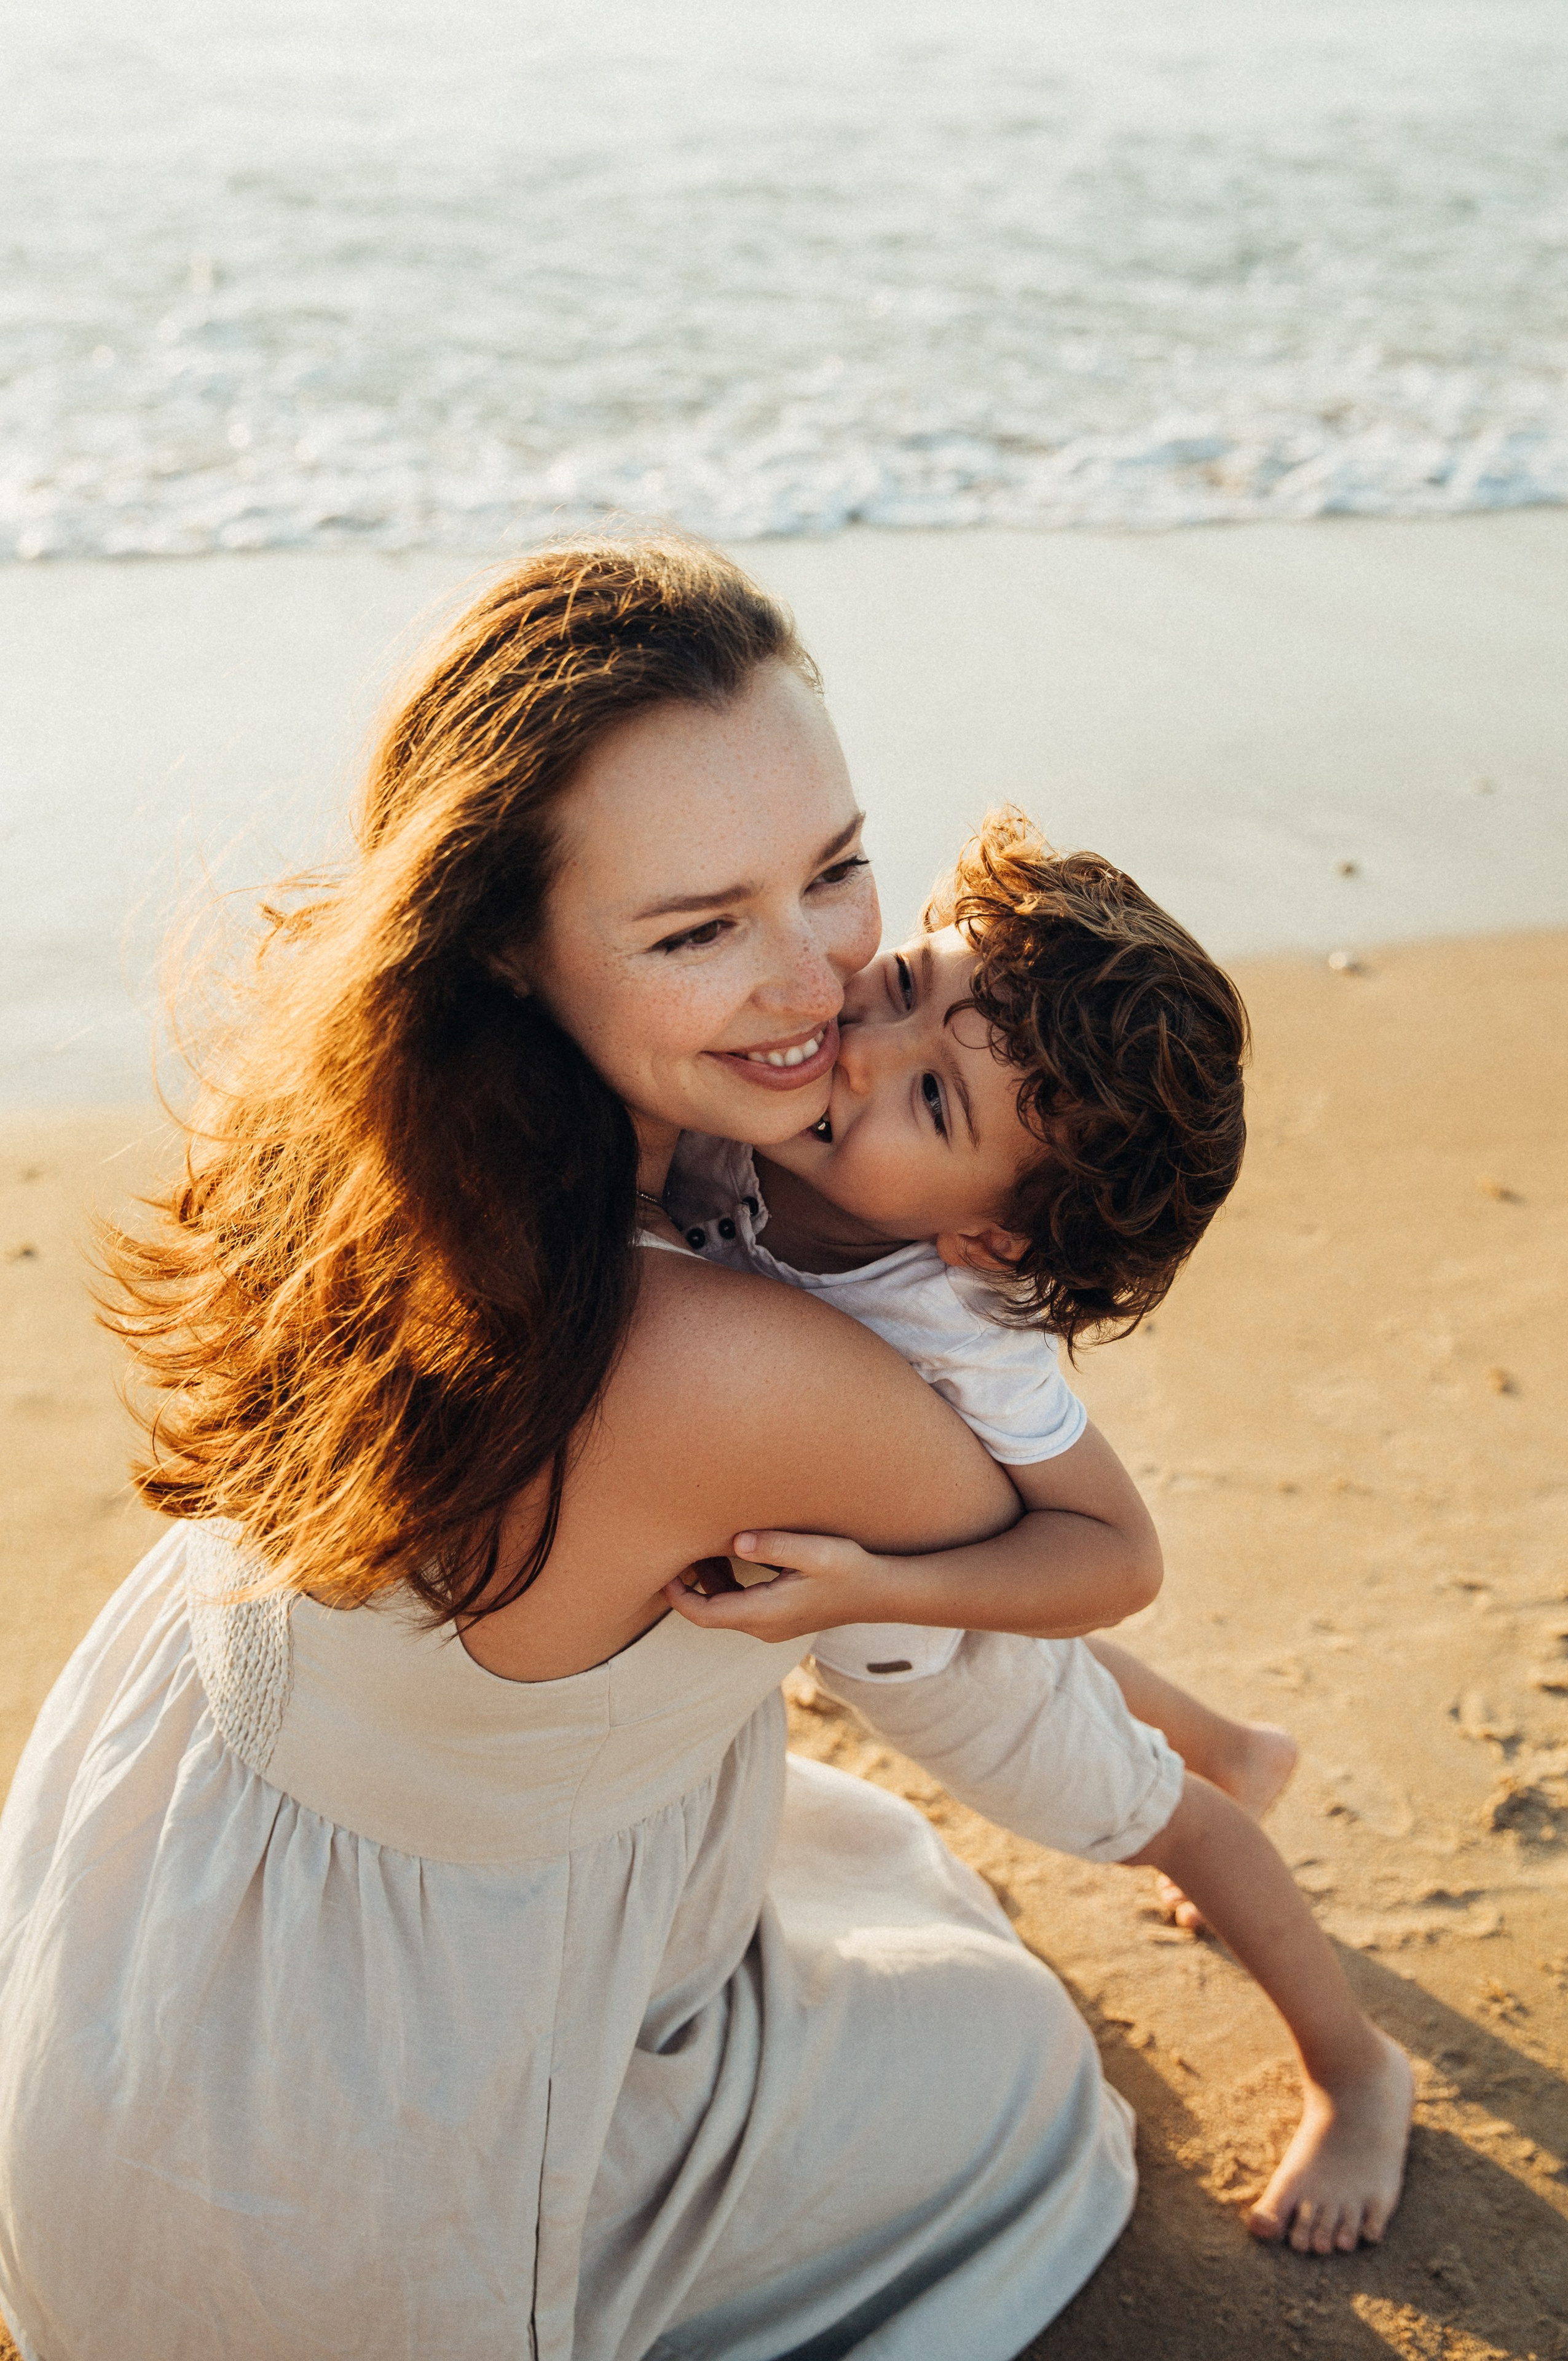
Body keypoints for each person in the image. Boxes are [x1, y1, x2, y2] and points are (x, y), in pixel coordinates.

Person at [3, 535, 1182, 2361]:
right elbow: (1018, 1649)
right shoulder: (735, 1367)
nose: (814, 986)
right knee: (1026, 2083)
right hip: (331, 2180)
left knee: (841, 1877)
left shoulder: (363, 1143)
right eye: (702, 929)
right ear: (506, 935)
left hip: (132, 1968)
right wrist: (1196, 1797)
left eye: (838, 872)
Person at [662, 810, 1414, 2254]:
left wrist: (878, 1584)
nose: (860, 1056)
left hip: (921, 1648)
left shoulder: (960, 1323)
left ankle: (1354, 2066)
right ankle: (1242, 1745)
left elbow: (1112, 1559)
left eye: (935, 1104)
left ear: (989, 1237)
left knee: (1154, 1819)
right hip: (913, 1590)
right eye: (897, 994)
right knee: (1025, 1637)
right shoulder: (752, 1118)